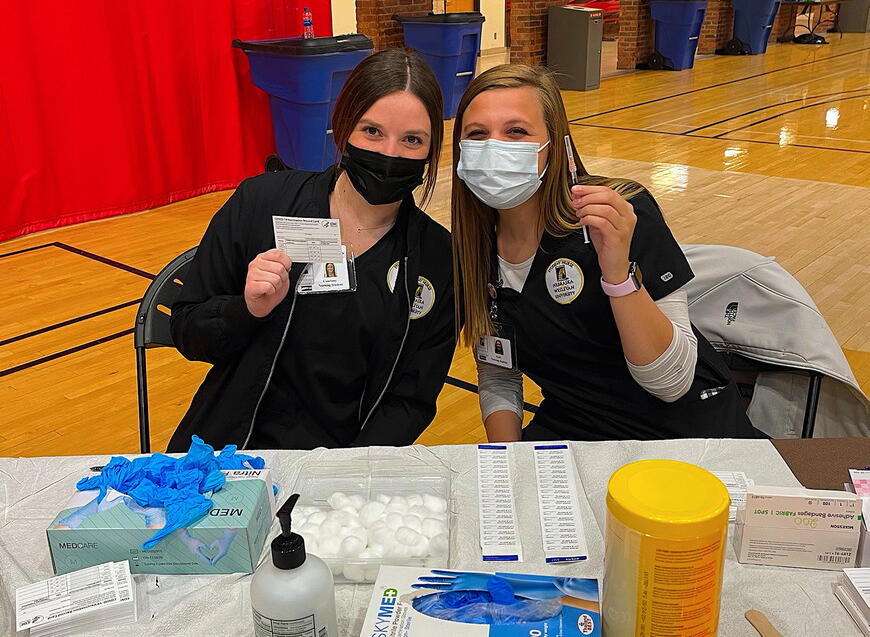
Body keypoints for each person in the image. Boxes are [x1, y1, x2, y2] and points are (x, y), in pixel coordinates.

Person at [451, 64, 762, 442]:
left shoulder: (621, 215)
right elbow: (499, 371)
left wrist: (617, 274)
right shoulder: (471, 248)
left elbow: (672, 383)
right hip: (575, 426)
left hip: (684, 432)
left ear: (556, 145)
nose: (495, 148)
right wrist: (509, 463)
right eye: (477, 134)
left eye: (516, 132)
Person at [167, 49, 455, 451]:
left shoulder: (439, 258)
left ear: (430, 150)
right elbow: (187, 330)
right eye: (371, 131)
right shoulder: (261, 202)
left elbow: (410, 399)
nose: (390, 154)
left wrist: (347, 476)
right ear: (342, 128)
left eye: (412, 140)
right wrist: (245, 310)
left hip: (345, 470)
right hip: (230, 451)